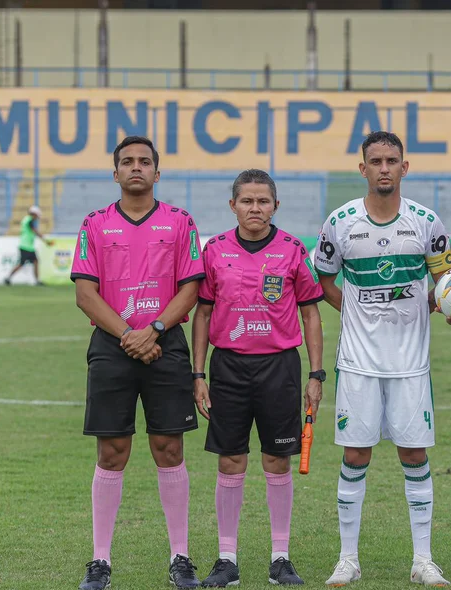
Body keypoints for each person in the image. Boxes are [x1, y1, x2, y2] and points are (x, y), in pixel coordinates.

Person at [314, 131, 451, 587]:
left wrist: (441, 304)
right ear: (363, 169)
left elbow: (448, 283)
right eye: (376, 161)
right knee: (356, 453)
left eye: (392, 160)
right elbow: (324, 279)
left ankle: (423, 560)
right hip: (357, 362)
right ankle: (347, 560)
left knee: (414, 453)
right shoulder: (340, 222)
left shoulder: (426, 223)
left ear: (404, 167)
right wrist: (355, 313)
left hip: (411, 364)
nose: (384, 168)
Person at [70, 136, 205, 590]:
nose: (136, 168)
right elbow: (85, 293)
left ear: (156, 173)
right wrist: (130, 334)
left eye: (144, 162)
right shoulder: (94, 223)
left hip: (165, 343)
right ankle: (100, 561)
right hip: (114, 346)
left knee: (169, 449)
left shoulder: (180, 221)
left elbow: (191, 288)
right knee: (112, 451)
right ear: (115, 174)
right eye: (127, 162)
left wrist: (156, 330)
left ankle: (180, 557)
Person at [191, 169, 325, 587]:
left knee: (276, 459)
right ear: (233, 205)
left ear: (275, 206)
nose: (255, 208)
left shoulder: (292, 249)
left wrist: (316, 373)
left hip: (279, 366)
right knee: (231, 460)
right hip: (228, 367)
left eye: (263, 201)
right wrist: (198, 373)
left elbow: (310, 312)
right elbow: (204, 313)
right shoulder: (213, 250)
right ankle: (226, 559)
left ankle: (280, 558)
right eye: (247, 201)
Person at [4, 205, 50, 285]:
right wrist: (45, 240)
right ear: (34, 214)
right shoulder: (29, 220)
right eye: (37, 215)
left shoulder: (26, 219)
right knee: (22, 263)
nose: (37, 217)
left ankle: (37, 281)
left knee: (35, 261)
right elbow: (35, 231)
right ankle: (8, 278)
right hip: (26, 246)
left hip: (29, 247)